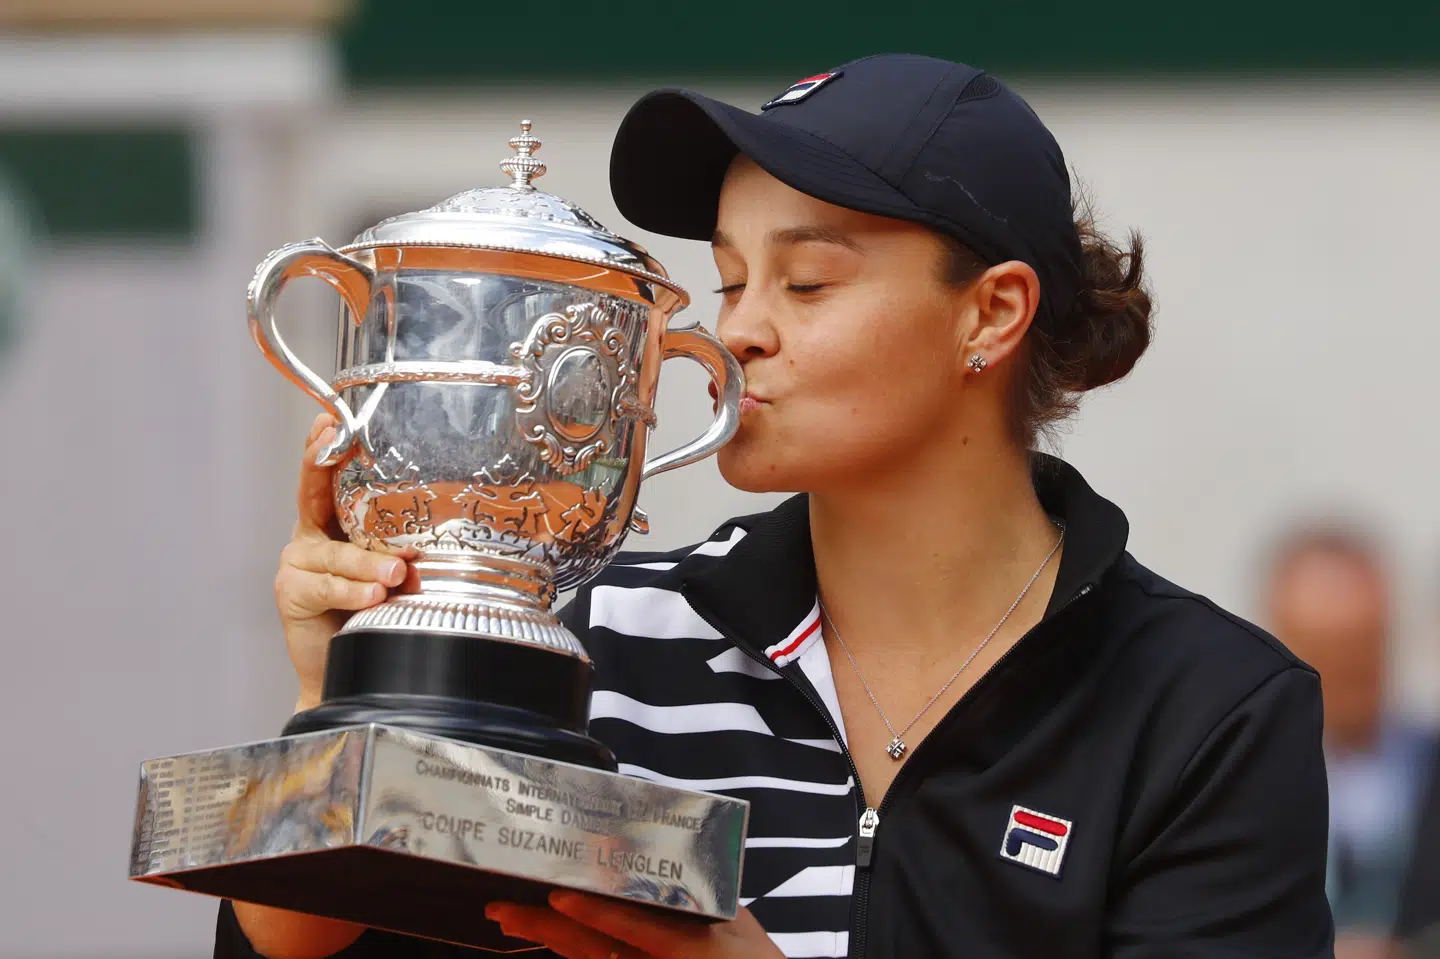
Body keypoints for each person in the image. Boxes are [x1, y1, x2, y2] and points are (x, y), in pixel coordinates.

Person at [216, 54, 1333, 958]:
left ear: (990, 315)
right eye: (729, 279)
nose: (739, 331)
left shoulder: (1207, 708)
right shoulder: (590, 641)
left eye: (805, 282)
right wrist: (347, 715)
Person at [1266, 526, 1436, 959]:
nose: (1341, 677)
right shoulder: (1220, 786)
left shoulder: (1427, 767)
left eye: (1360, 650)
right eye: (1323, 651)